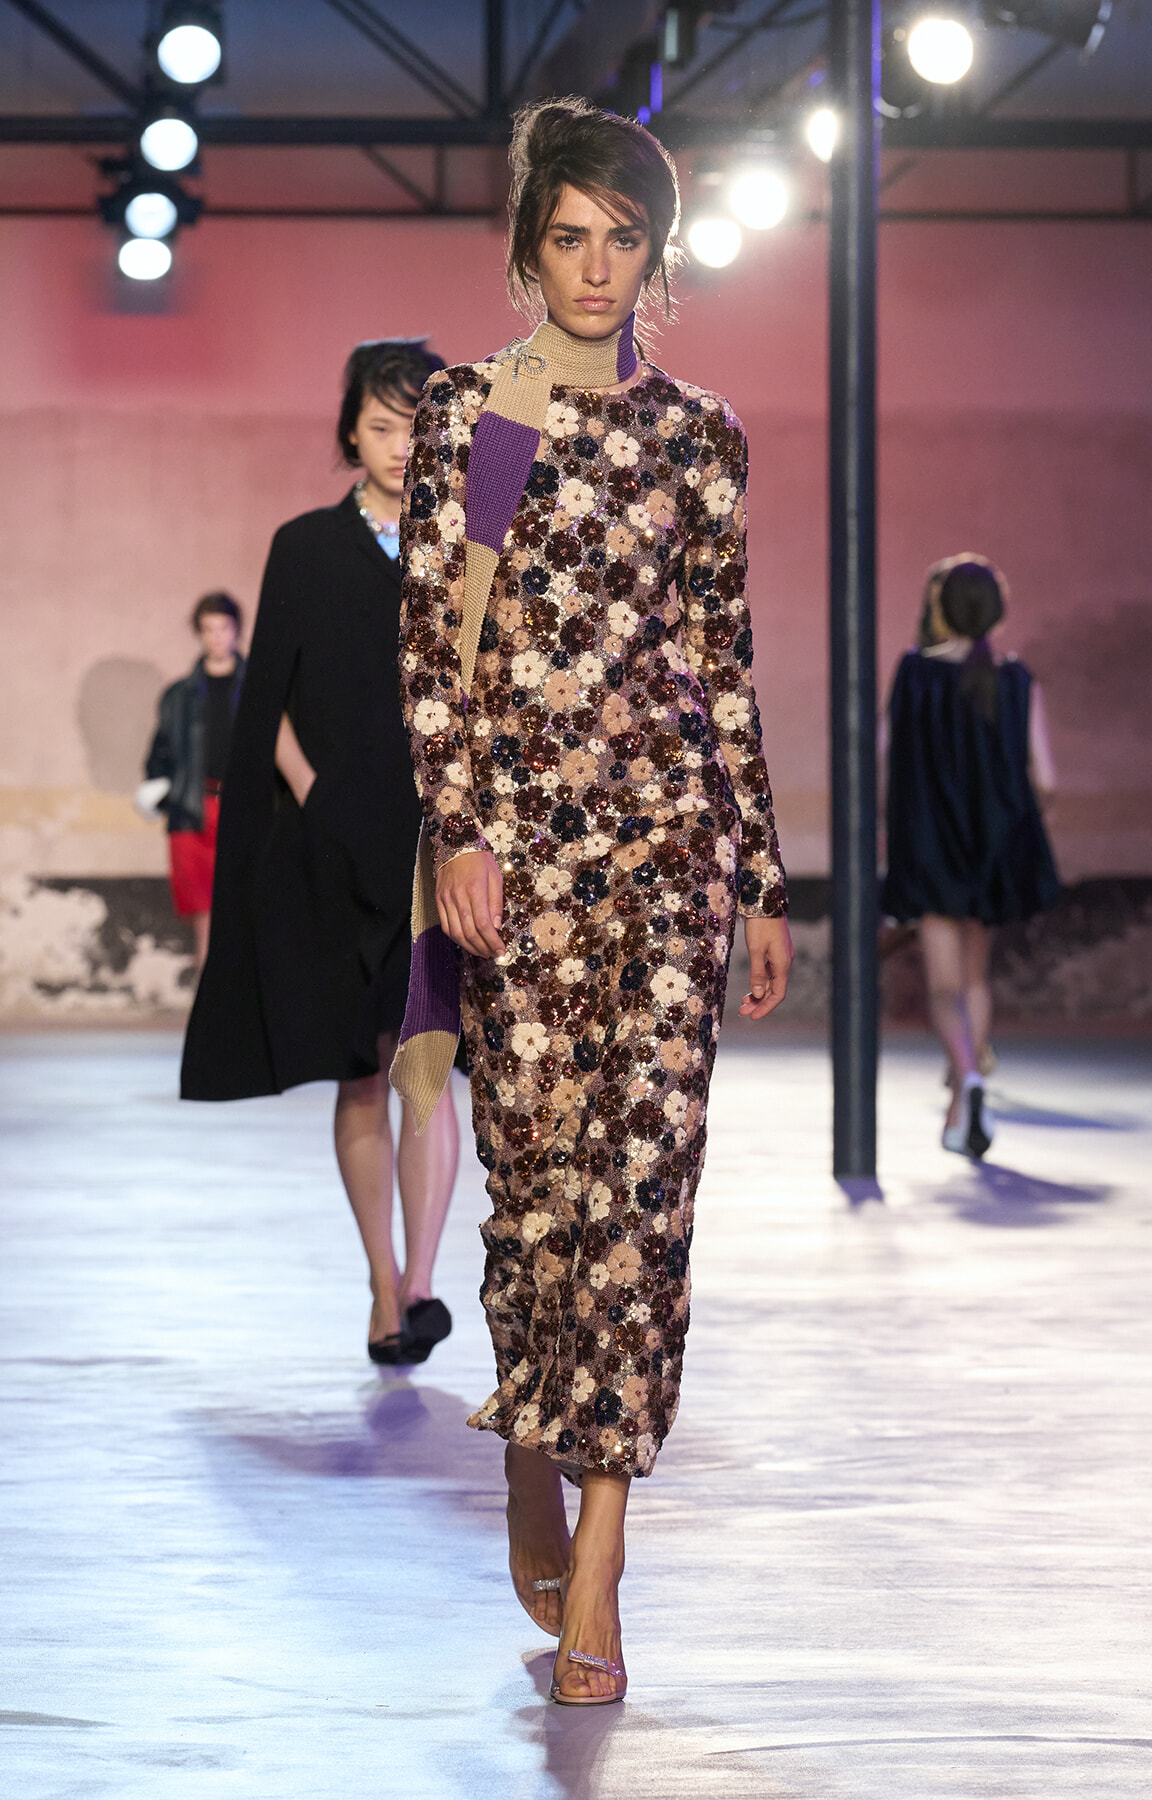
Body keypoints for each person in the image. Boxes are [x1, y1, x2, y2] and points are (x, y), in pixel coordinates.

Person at [394, 97, 792, 1706]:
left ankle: (607, 1559)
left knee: (646, 1207)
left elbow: (724, 662)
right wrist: (460, 834)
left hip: (671, 860)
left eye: (625, 239)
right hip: (522, 871)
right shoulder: (474, 417)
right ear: (527, 248)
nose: (596, 266)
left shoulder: (701, 436)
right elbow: (435, 655)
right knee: (540, 1194)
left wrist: (763, 873)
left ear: (657, 255)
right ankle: (526, 1450)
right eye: (570, 236)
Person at [181, 339, 461, 1368]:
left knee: (430, 1068)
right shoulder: (303, 547)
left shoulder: (468, 549)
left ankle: (423, 1282)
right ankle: (383, 1285)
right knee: (363, 1075)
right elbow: (268, 703)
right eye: (381, 426)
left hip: (440, 846)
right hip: (338, 847)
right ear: (351, 431)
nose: (400, 446)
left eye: (417, 426)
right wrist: (317, 798)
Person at [882, 553, 1060, 1159]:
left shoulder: (915, 673)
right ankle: (969, 1085)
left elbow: (883, 757)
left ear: (941, 608)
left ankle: (966, 1082)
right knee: (976, 979)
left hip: (931, 847)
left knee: (943, 985)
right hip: (993, 848)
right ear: (998, 612)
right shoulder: (1017, 680)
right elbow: (1046, 778)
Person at [138, 591, 245, 970]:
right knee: (204, 916)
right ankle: (207, 996)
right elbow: (159, 756)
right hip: (193, 810)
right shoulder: (178, 696)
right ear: (198, 634)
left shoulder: (258, 689)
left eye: (223, 628)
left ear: (236, 630)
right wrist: (158, 791)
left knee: (243, 907)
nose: (216, 637)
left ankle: (237, 997)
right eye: (208, 629)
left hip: (244, 809)